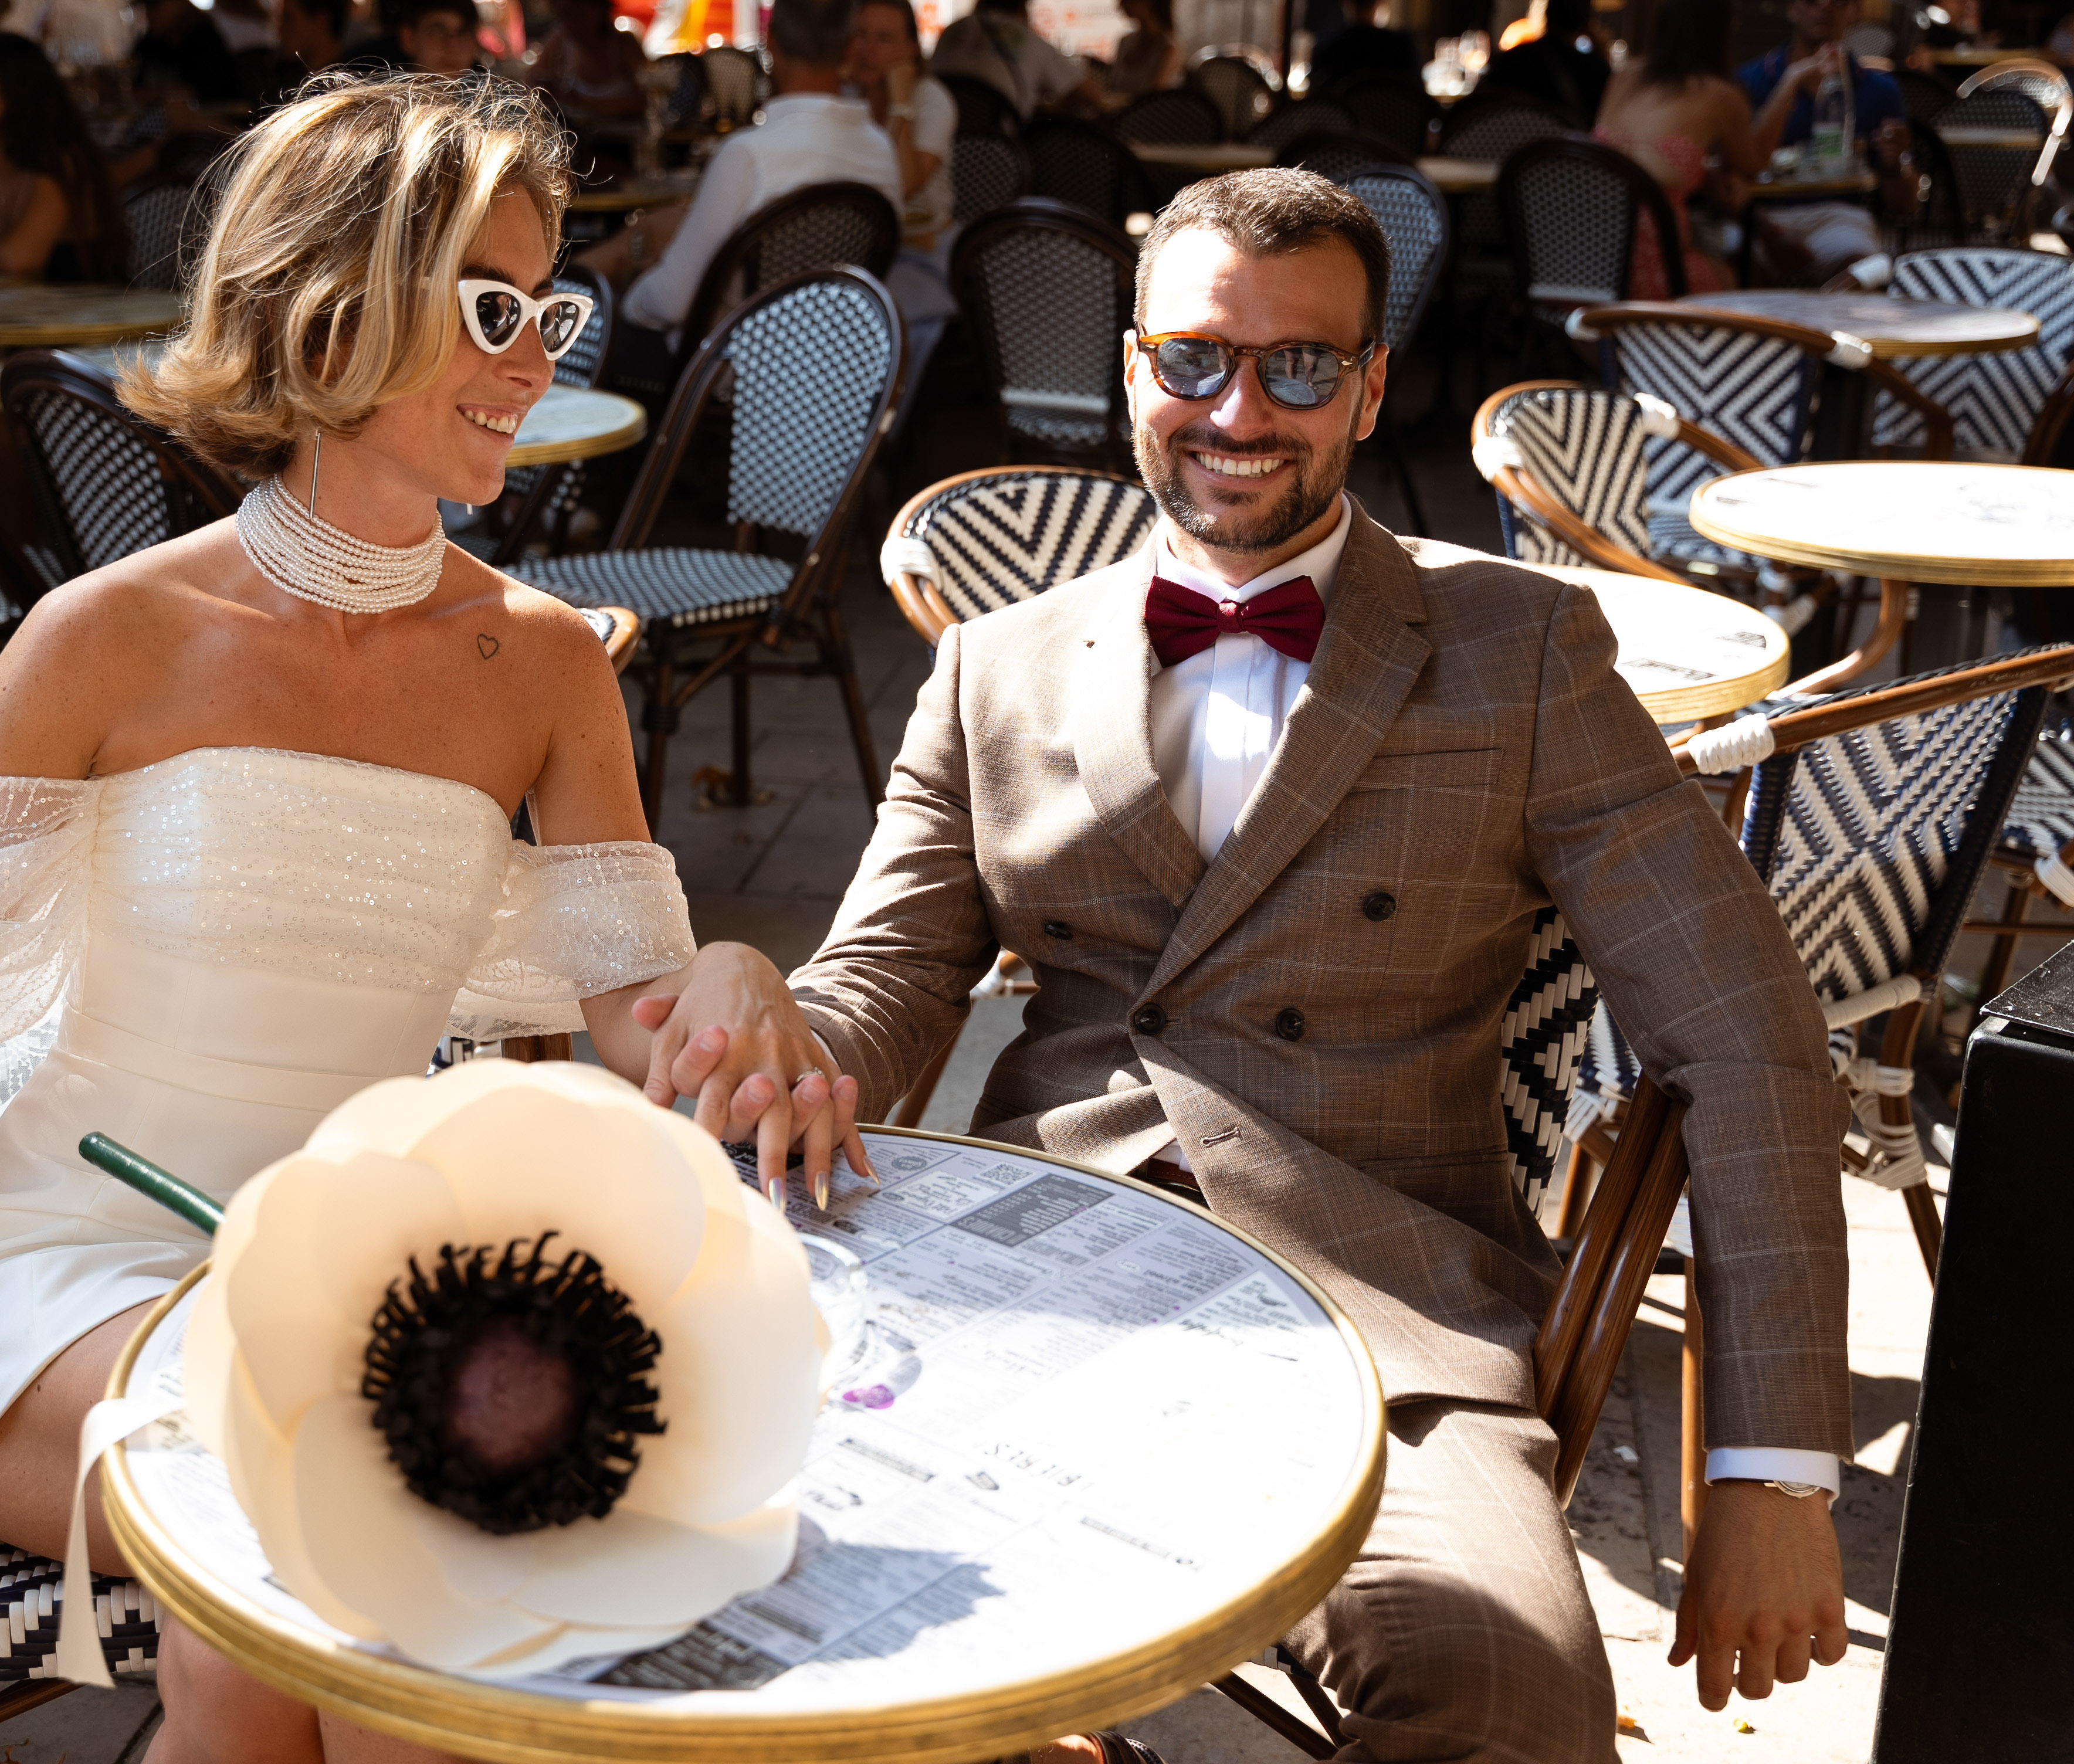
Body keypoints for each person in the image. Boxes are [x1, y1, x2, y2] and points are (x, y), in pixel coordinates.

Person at [0, 73, 861, 1763]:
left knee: (351, 1570)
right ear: (339, 310)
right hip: (61, 1282)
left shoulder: (548, 666)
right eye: (494, 307)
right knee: (334, 1536)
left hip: (365, 1292)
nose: (541, 355)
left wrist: (732, 969)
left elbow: (638, 1013)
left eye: (551, 308)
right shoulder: (101, 639)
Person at [652, 169, 1857, 1758]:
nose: (1243, 409)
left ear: (1367, 390)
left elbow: (1747, 1040)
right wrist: (766, 996)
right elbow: (885, 986)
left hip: (1377, 1333)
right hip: (1025, 1290)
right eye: (1200, 359)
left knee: (1513, 1702)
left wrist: (1771, 1473)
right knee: (727, 1630)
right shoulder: (990, 668)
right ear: (1135, 367)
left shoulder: (1523, 648)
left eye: (1302, 368)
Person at [581, 0, 902, 370]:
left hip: (731, 369)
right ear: (849, 47)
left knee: (592, 323)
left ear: (771, 42)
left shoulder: (749, 155)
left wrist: (627, 297)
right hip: (831, 369)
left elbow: (670, 303)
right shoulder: (881, 150)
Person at [1594, 0, 1766, 296]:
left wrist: (1705, 174)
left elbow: (1630, 162)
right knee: (1746, 279)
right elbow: (1755, 162)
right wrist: (1792, 83)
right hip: (1647, 276)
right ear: (1723, 31)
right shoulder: (1721, 95)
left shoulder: (1625, 76)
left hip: (1575, 265)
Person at [1740, 0, 1917, 284]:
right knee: (1739, 265)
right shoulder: (1749, 81)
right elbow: (1730, 179)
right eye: (1812, 1)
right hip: (1759, 216)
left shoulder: (1880, 89)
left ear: (1855, 12)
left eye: (1838, 2)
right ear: (1792, 8)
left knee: (1860, 271)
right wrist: (1768, 234)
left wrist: (1895, 164)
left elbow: (1906, 205)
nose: (1824, 7)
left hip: (1839, 216)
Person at [0, 32, 133, 281]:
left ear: (13, 91)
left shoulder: (59, 164)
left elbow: (18, 259)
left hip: (87, 316)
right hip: (16, 313)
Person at [846, 0, 956, 418]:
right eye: (861, 36)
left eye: (884, 39)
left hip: (923, 251)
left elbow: (904, 185)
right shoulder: (844, 98)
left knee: (879, 318)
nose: (866, 49)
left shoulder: (931, 99)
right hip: (860, 248)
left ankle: (876, 434)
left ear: (911, 49)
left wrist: (901, 103)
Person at [524, 0, 650, 174]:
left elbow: (644, 101)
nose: (573, 24)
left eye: (579, 15)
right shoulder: (561, 41)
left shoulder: (623, 46)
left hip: (625, 150)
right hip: (580, 149)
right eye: (566, 16)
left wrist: (578, 101)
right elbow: (530, 85)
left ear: (601, 10)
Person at [930, 0, 1103, 121]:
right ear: (1023, 9)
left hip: (941, 143)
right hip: (1000, 152)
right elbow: (1092, 96)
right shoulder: (1028, 38)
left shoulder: (951, 30)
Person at [1477, 0, 1610, 124]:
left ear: (1546, 14)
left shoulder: (1512, 59)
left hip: (1506, 146)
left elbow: (1477, 106)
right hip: (1564, 148)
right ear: (1587, 19)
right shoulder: (1594, 70)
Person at [133, 0, 243, 103]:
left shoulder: (205, 40)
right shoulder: (149, 43)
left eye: (154, 6)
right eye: (146, 7)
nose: (148, 15)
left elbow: (201, 92)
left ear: (179, 3)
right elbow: (127, 87)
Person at [1309, 0, 1421, 89]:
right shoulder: (1403, 45)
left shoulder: (1326, 47)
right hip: (1394, 117)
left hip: (1340, 117)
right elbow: (1418, 95)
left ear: (1346, 2)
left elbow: (1316, 100)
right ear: (1382, 2)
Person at [1103, 0, 1184, 101]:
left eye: (1128, 1)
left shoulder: (1169, 50)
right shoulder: (1125, 43)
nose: (1120, 6)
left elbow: (1155, 101)